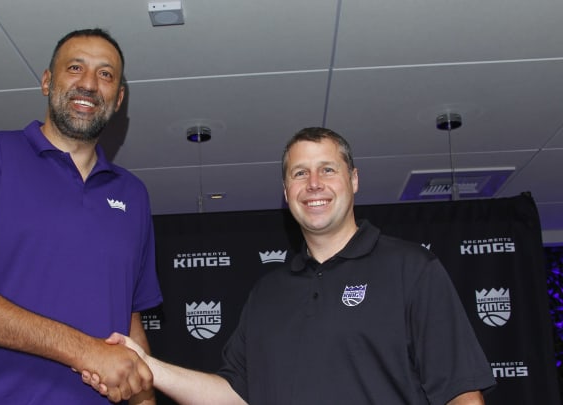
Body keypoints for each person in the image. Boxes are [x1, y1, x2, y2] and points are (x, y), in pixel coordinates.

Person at [92, 127, 496, 404]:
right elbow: (232, 395)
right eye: (300, 173)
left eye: (327, 169)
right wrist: (147, 365)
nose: (314, 183)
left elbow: (462, 393)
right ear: (286, 192)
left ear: (353, 180)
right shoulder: (268, 293)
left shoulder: (412, 269)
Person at [0, 28, 162, 405]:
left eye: (106, 74)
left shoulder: (133, 195)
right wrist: (85, 350)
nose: (89, 84)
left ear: (119, 98)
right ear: (48, 81)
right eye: (75, 68)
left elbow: (129, 325)